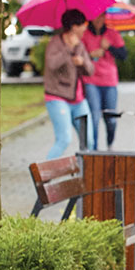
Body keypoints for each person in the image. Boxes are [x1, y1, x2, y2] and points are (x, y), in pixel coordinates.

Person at [43, 9, 94, 158]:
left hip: (78, 99)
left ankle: (84, 175)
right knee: (64, 140)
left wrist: (82, 62)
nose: (86, 27)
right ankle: (44, 176)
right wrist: (68, 49)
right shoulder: (55, 43)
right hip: (57, 97)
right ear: (74, 26)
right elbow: (51, 65)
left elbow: (90, 70)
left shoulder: (80, 45)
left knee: (88, 141)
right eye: (84, 24)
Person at [81, 10, 127, 150]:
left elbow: (124, 55)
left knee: (111, 119)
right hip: (91, 81)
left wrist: (109, 47)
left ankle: (110, 144)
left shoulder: (112, 34)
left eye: (102, 16)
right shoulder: (84, 35)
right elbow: (77, 57)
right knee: (94, 118)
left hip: (109, 81)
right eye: (96, 16)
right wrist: (90, 55)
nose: (99, 19)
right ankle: (94, 151)